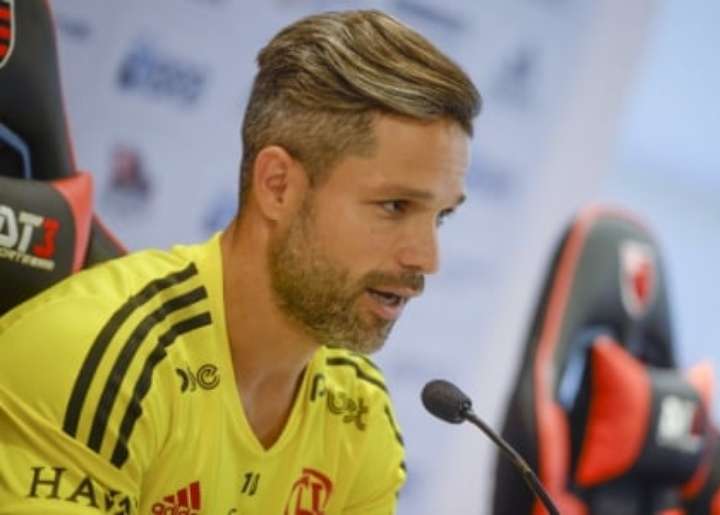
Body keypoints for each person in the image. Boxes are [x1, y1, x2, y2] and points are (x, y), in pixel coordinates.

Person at [0, 9, 481, 514]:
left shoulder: (358, 413)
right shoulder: (99, 361)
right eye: (395, 207)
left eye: (441, 217)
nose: (427, 259)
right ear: (278, 186)